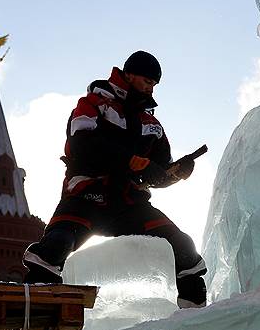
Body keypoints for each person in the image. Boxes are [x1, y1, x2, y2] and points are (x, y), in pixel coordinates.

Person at [22, 51, 207, 308]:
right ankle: (32, 309)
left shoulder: (152, 124)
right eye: (147, 80)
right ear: (129, 75)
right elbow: (82, 144)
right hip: (87, 195)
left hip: (130, 204)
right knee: (56, 245)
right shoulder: (93, 104)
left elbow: (158, 173)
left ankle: (196, 317)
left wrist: (176, 173)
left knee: (183, 248)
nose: (151, 87)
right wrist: (131, 161)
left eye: (154, 84)